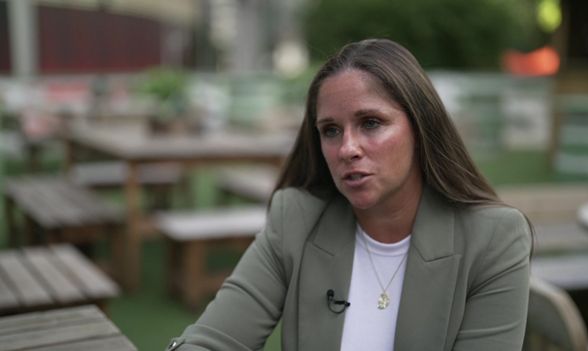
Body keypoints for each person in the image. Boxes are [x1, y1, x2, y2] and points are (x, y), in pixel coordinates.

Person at [166, 38, 532, 351]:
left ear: (421, 126)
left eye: (371, 123)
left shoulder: (493, 239)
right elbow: (212, 341)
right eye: (330, 130)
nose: (347, 148)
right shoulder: (295, 220)